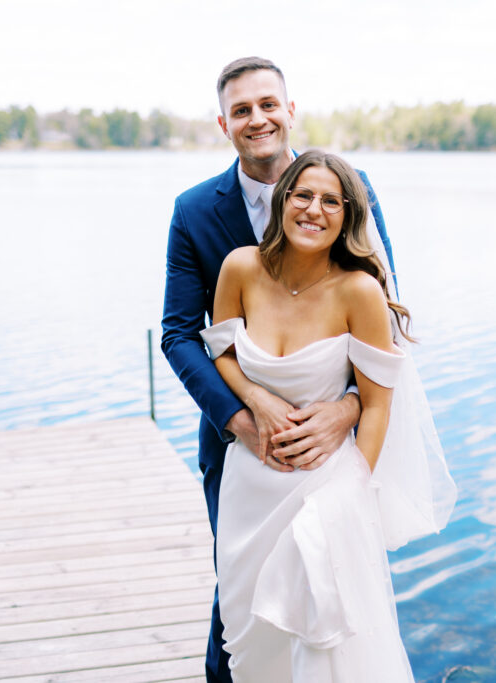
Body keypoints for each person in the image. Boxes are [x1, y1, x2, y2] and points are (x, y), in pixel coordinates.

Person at [161, 56, 397, 682]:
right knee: (237, 603)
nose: (258, 118)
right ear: (224, 123)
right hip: (241, 453)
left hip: (327, 454)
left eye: (269, 104)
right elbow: (181, 335)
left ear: (290, 110)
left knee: (332, 597)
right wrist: (242, 417)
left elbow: (386, 323)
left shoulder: (350, 188)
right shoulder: (194, 212)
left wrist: (347, 411)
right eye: (242, 110)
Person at [200, 149, 453, 682]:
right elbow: (220, 349)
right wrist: (254, 397)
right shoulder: (240, 268)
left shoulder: (358, 291)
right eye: (303, 195)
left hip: (324, 491)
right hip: (248, 490)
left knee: (326, 648)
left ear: (348, 216)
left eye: (331, 201)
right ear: (283, 201)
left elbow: (379, 401)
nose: (314, 209)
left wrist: (352, 490)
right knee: (250, 642)